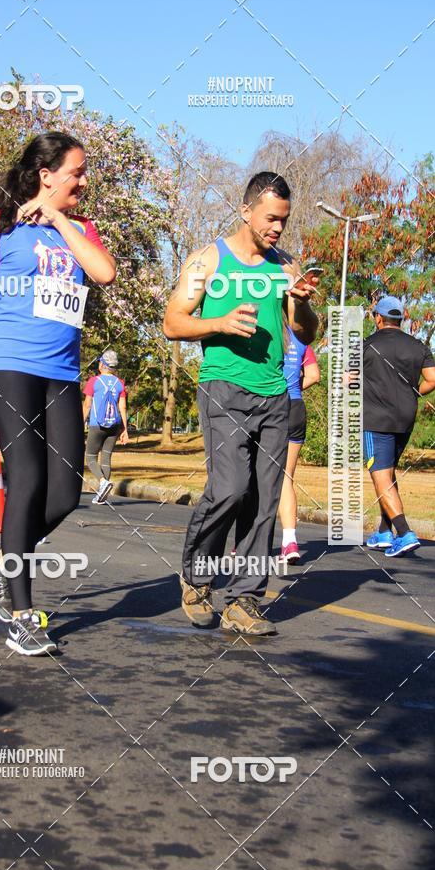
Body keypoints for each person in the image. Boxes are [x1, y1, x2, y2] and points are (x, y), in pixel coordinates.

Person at [0, 131, 116, 656]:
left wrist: (60, 220)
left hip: (60, 370)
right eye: (76, 172)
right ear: (46, 174)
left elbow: (103, 273)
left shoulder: (80, 228)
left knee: (65, 490)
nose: (84, 181)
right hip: (8, 364)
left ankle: (5, 556)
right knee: (29, 480)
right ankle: (22, 614)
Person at [163, 172, 319, 636]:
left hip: (275, 392)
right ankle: (197, 579)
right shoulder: (208, 260)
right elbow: (173, 321)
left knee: (264, 500)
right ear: (246, 210)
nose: (277, 228)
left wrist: (302, 303)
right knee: (230, 489)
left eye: (284, 221)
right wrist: (220, 323)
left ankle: (244, 600)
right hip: (224, 388)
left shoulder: (285, 266)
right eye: (271, 218)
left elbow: (307, 333)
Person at [363, 295, 435, 557]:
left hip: (375, 420)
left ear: (378, 318)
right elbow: (433, 378)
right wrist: (414, 392)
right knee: (388, 472)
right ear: (400, 319)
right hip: (405, 419)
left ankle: (404, 533)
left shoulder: (367, 345)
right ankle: (384, 531)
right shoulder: (417, 346)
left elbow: (348, 379)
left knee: (380, 475)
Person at [277, 326, 320, 562]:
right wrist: (293, 387)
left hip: (270, 406)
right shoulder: (302, 338)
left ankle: (245, 543)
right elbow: (313, 375)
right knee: (286, 477)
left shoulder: (268, 330)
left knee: (253, 474)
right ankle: (289, 542)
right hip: (296, 406)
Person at [83, 350, 128, 504]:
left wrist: (81, 423)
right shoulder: (120, 383)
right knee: (106, 458)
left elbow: (87, 404)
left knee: (90, 457)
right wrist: (125, 429)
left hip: (97, 425)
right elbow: (122, 407)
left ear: (102, 364)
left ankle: (103, 482)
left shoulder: (93, 381)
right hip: (114, 426)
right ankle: (103, 495)